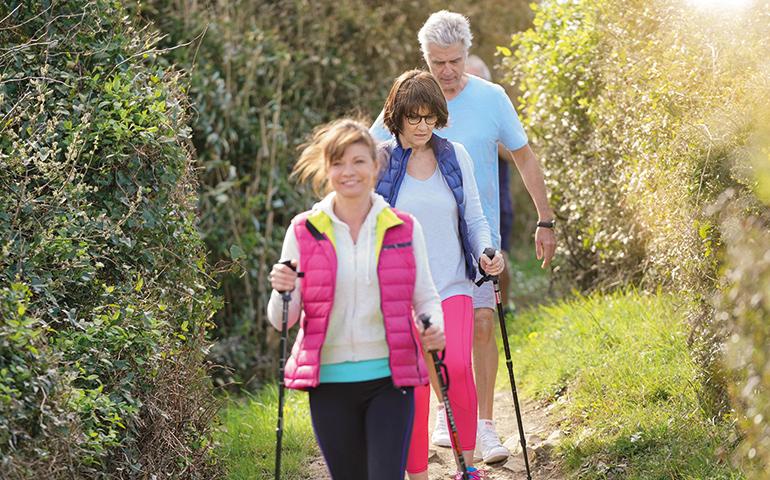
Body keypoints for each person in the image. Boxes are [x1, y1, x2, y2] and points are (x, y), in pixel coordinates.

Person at [371, 10, 557, 464]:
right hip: (423, 251)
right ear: (426, 60)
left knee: (482, 324)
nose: (448, 71)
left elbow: (525, 159)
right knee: (439, 342)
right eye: (438, 63)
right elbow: (370, 152)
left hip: (476, 242)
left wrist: (545, 219)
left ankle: (485, 427)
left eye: (455, 61)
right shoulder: (410, 104)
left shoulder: (492, 98)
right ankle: (445, 410)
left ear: (467, 55)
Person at [267, 119, 446, 480]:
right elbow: (281, 320)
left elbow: (426, 298)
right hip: (330, 384)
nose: (348, 172)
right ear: (326, 169)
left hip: (389, 380)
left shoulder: (403, 227)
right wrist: (282, 290)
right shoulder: (304, 229)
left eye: (359, 161)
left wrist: (434, 327)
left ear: (376, 166)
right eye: (338, 163)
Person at [375, 69, 505, 480]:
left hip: (452, 284)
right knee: (412, 386)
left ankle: (465, 468)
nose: (423, 127)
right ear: (397, 116)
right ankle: (418, 475)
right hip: (400, 293)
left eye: (431, 118)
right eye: (414, 118)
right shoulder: (381, 160)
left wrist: (488, 251)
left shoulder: (455, 155)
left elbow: (474, 216)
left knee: (457, 371)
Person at [466, 54, 515, 312]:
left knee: (500, 253)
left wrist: (489, 141)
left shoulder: (496, 112)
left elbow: (516, 153)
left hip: (496, 199)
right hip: (465, 204)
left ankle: (505, 306)